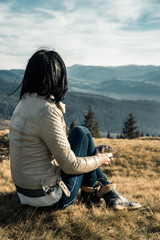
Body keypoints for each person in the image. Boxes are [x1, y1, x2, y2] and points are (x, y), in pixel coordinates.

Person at [8, 49, 141, 210]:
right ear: (58, 77)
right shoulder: (46, 111)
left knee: (81, 132)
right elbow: (70, 166)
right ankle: (100, 194)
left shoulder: (25, 102)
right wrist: (99, 159)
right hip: (48, 198)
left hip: (26, 193)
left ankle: (104, 192)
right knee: (83, 134)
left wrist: (92, 157)